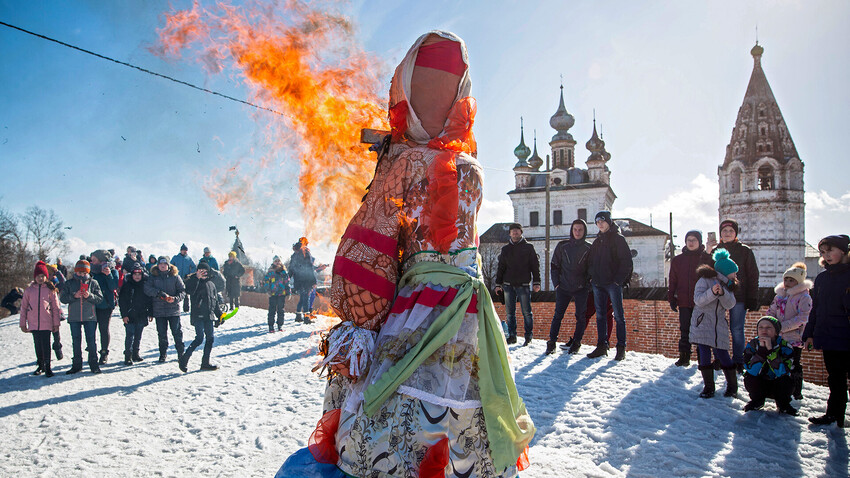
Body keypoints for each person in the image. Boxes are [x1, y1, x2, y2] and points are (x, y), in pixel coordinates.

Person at [279, 31, 534, 478]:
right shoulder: (471, 167)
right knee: (468, 407)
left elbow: (369, 254)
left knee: (383, 414)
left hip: (416, 306)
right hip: (471, 310)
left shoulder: (401, 163)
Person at [803, 234, 850, 428]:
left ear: (843, 251)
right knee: (835, 378)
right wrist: (809, 333)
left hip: (847, 334)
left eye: (830, 250)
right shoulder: (822, 278)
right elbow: (816, 308)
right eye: (823, 252)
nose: (827, 255)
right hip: (830, 336)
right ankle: (834, 415)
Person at [710, 219, 760, 372]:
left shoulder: (745, 251)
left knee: (737, 329)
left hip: (739, 296)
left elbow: (753, 275)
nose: (727, 233)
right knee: (717, 327)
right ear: (720, 233)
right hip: (718, 295)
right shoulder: (715, 250)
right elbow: (706, 270)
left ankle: (738, 360)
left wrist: (752, 297)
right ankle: (718, 358)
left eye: (731, 231)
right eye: (724, 231)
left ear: (736, 233)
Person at [691, 249, 739, 399]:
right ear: (725, 271)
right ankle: (708, 387)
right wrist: (712, 292)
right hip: (703, 323)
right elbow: (698, 300)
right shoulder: (704, 280)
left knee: (723, 353)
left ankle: (732, 386)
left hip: (719, 325)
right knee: (704, 352)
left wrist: (722, 293)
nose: (735, 276)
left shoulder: (728, 286)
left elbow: (730, 304)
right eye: (733, 272)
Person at [587, 211, 633, 360]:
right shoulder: (597, 240)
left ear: (609, 222)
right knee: (600, 316)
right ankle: (602, 346)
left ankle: (621, 348)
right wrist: (592, 277)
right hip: (598, 284)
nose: (600, 224)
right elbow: (591, 261)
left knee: (619, 316)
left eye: (602, 221)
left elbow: (626, 262)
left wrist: (618, 281)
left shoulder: (618, 239)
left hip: (613, 284)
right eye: (597, 222)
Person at [667, 230, 713, 366]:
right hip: (684, 300)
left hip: (702, 301)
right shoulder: (678, 260)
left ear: (699, 242)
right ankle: (684, 356)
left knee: (701, 331)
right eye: (689, 240)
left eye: (694, 240)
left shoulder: (705, 258)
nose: (691, 243)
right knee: (685, 330)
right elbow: (673, 280)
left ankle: (702, 359)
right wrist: (672, 298)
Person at [767, 262, 812, 400]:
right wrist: (770, 324)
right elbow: (771, 311)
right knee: (778, 361)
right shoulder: (780, 296)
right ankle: (779, 389)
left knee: (794, 364)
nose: (787, 282)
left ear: (798, 282)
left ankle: (796, 391)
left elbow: (803, 317)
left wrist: (782, 326)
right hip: (778, 336)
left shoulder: (804, 297)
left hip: (794, 337)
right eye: (785, 279)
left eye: (791, 280)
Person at [546, 219, 591, 355]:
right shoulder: (562, 246)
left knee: (581, 317)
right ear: (571, 230)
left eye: (580, 230)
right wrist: (557, 284)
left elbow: (592, 268)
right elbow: (554, 265)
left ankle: (577, 342)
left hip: (581, 288)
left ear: (584, 231)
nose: (577, 232)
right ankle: (551, 342)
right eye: (575, 229)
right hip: (563, 287)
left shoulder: (589, 248)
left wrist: (587, 285)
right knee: (558, 316)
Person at [495, 223, 541, 346]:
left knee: (526, 312)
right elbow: (501, 267)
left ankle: (528, 336)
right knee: (510, 313)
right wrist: (498, 284)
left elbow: (535, 266)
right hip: (508, 285)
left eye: (517, 231)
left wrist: (537, 282)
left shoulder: (528, 248)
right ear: (509, 233)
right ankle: (512, 336)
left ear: (521, 232)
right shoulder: (505, 249)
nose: (515, 233)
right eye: (512, 231)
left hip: (523, 284)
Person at [742, 316, 797, 415]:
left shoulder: (785, 346)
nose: (764, 330)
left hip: (778, 383)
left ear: (776, 331)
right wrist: (762, 352)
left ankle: (783, 404)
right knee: (749, 377)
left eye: (768, 327)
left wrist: (771, 353)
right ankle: (757, 401)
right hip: (760, 383)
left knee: (787, 379)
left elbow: (783, 372)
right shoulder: (752, 345)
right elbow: (750, 369)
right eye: (761, 327)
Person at [59, 260, 104, 374]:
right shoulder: (69, 283)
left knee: (91, 341)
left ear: (88, 272)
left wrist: (89, 296)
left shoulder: (93, 283)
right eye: (79, 272)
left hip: (90, 317)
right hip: (74, 317)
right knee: (76, 341)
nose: (82, 275)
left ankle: (94, 364)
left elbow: (99, 299)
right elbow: (63, 298)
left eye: (84, 273)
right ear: (76, 272)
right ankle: (76, 365)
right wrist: (74, 296)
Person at [20, 261, 62, 377]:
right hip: (33, 323)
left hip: (46, 322)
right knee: (37, 345)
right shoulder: (29, 290)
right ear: (35, 277)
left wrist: (56, 323)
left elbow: (55, 307)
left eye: (43, 276)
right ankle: (41, 365)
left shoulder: (50, 289)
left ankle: (48, 367)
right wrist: (22, 323)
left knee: (46, 344)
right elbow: (23, 307)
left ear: (46, 277)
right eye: (38, 276)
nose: (40, 278)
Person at [145, 256, 186, 363]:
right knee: (162, 334)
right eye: (160, 264)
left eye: (165, 264)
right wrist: (158, 293)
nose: (162, 266)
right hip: (159, 311)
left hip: (173, 310)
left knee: (177, 333)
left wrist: (175, 299)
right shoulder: (153, 277)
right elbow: (147, 289)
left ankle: (181, 353)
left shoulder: (175, 277)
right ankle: (163, 354)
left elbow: (182, 291)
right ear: (157, 265)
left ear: (168, 265)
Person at [180, 261, 219, 372]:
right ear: (197, 271)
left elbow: (215, 302)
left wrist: (219, 315)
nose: (203, 273)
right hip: (198, 315)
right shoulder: (193, 281)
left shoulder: (211, 284)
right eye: (201, 271)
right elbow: (189, 291)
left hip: (209, 316)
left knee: (210, 338)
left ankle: (205, 362)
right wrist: (196, 278)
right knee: (199, 338)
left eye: (205, 271)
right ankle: (184, 359)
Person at [118, 263, 153, 365]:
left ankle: (135, 353)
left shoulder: (145, 285)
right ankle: (128, 355)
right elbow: (122, 301)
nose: (137, 277)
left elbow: (149, 300)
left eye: (139, 274)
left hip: (142, 314)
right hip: (130, 315)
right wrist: (124, 315)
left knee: (138, 335)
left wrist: (150, 312)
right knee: (130, 335)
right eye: (135, 274)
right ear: (131, 275)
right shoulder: (127, 285)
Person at [91, 255, 120, 365]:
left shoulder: (113, 271)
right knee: (91, 331)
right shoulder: (92, 271)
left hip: (106, 305)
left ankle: (104, 353)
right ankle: (92, 353)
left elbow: (113, 287)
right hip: (92, 304)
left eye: (94, 259)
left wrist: (108, 275)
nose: (92, 261)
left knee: (103, 329)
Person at [289, 238, 319, 324]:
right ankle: (306, 318)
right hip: (306, 279)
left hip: (298, 280)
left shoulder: (294, 254)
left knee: (303, 297)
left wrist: (288, 277)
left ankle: (298, 316)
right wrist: (314, 281)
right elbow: (310, 267)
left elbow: (291, 268)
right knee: (306, 298)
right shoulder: (306, 253)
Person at [264, 256, 289, 332]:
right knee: (272, 309)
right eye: (276, 261)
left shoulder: (284, 272)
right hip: (273, 293)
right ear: (273, 262)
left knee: (281, 310)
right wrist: (268, 290)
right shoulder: (270, 272)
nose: (277, 262)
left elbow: (287, 283)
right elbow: (266, 282)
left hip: (282, 293)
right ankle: (271, 326)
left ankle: (280, 325)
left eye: (279, 261)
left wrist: (289, 292)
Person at [171, 244, 196, 313]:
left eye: (186, 250)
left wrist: (189, 274)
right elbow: (171, 266)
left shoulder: (189, 259)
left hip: (186, 279)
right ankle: (174, 307)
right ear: (181, 250)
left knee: (186, 293)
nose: (185, 252)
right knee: (175, 293)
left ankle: (186, 308)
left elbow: (194, 267)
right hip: (176, 279)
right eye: (183, 250)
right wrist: (173, 273)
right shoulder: (175, 258)